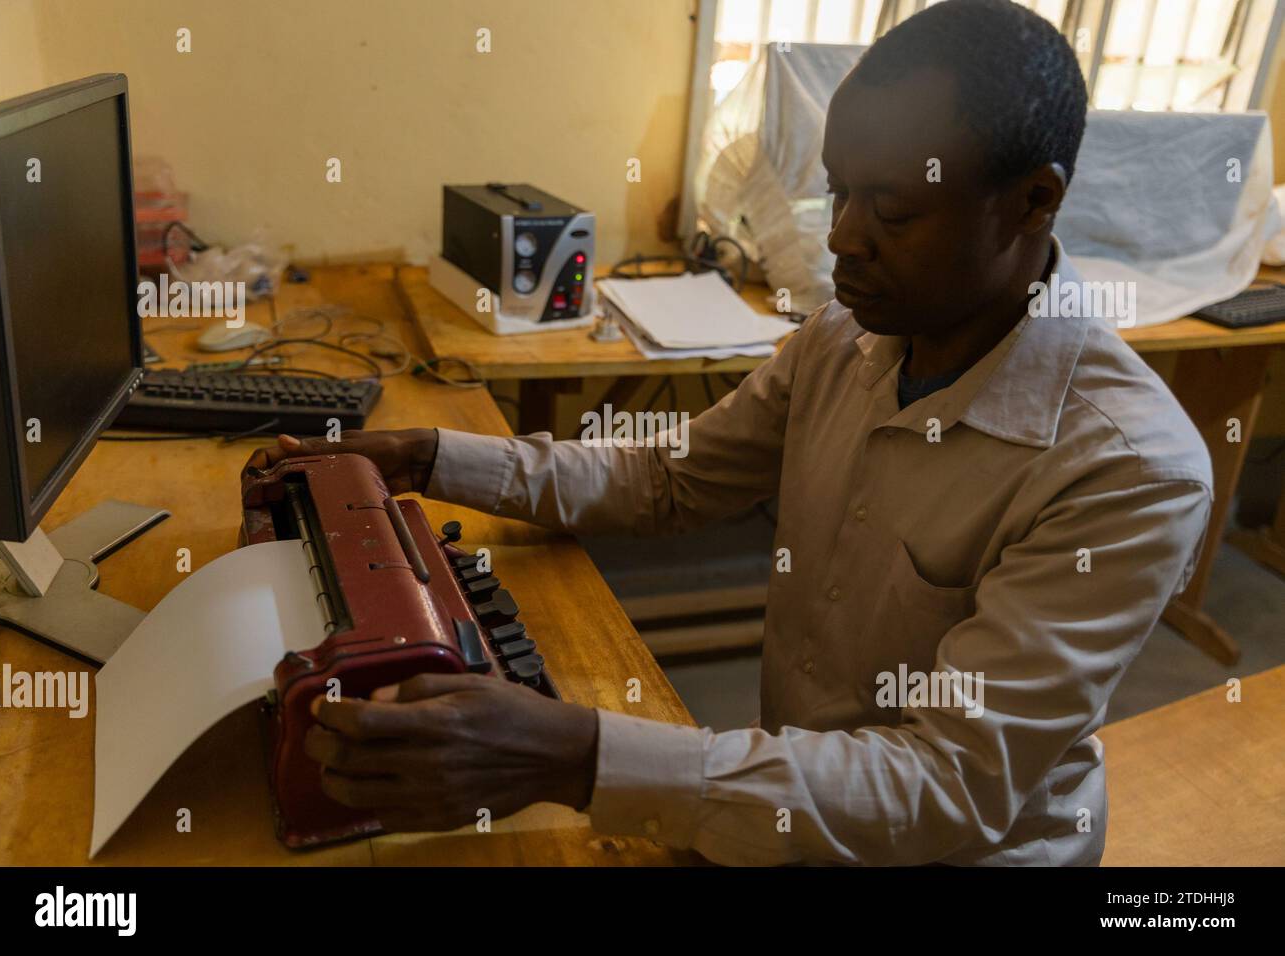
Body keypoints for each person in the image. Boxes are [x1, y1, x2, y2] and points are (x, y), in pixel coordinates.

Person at [247, 0, 1212, 865]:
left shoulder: (1126, 471)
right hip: (795, 801)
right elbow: (672, 479)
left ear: (1036, 200)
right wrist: (429, 456)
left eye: (894, 208)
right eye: (836, 192)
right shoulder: (847, 339)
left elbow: (947, 786)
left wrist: (578, 754)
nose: (842, 237)